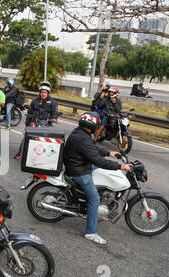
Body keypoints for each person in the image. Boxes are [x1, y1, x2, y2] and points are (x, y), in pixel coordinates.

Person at [63, 111, 132, 244]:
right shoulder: (82, 138)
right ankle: (91, 232)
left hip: (79, 164)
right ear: (93, 125)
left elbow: (92, 149)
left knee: (103, 173)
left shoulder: (80, 132)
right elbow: (97, 160)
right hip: (78, 171)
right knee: (94, 198)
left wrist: (109, 153)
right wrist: (120, 167)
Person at [14, 81, 58, 159]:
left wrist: (54, 118)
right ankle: (20, 153)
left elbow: (55, 112)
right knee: (26, 136)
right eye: (41, 92)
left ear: (48, 93)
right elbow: (30, 112)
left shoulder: (52, 102)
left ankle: (51, 156)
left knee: (50, 139)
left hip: (46, 123)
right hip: (34, 122)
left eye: (45, 92)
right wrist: (27, 123)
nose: (43, 94)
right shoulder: (35, 101)